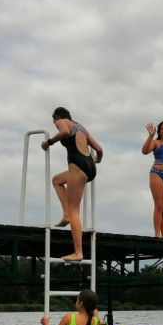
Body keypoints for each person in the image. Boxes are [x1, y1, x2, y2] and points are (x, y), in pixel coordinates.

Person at [41, 107, 103, 261]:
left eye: (54, 122)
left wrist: (48, 143)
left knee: (75, 210)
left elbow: (64, 133)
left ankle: (78, 252)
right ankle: (66, 214)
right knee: (57, 180)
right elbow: (99, 149)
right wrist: (98, 160)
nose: (56, 125)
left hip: (77, 165)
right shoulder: (81, 127)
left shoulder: (62, 121)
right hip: (90, 167)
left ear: (57, 116)